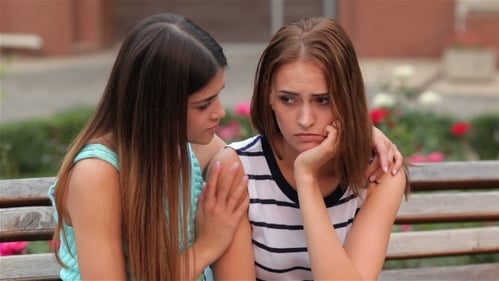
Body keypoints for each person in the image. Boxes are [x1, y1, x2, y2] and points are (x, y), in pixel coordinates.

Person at [48, 13, 250, 281]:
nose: (220, 112)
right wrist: (207, 247)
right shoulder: (97, 175)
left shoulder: (199, 150)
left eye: (219, 95)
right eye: (204, 104)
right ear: (158, 107)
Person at [211, 17, 410, 280]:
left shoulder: (379, 174)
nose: (305, 119)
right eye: (288, 99)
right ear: (269, 96)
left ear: (347, 98)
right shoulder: (239, 169)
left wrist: (306, 178)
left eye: (323, 100)